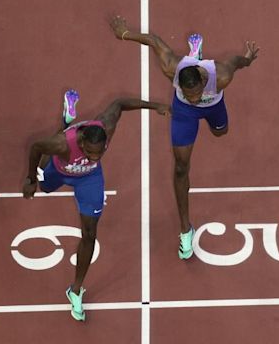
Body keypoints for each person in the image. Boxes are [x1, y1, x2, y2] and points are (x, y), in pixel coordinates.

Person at [109, 16, 259, 260]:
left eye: (197, 92)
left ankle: (195, 55)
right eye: (188, 93)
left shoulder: (221, 76)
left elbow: (235, 61)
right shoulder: (171, 68)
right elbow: (154, 41)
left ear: (203, 81)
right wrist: (124, 34)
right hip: (184, 113)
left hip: (213, 106)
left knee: (221, 133)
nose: (194, 97)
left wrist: (248, 60)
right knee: (181, 168)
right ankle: (185, 230)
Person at [22, 92, 170, 321]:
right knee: (44, 184)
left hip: (88, 180)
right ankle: (66, 122)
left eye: (100, 152)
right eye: (90, 152)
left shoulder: (106, 126)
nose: (94, 156)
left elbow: (120, 103)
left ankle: (75, 290)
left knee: (89, 234)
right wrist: (31, 180)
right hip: (60, 171)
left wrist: (155, 105)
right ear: (82, 143)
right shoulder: (64, 144)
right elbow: (36, 147)